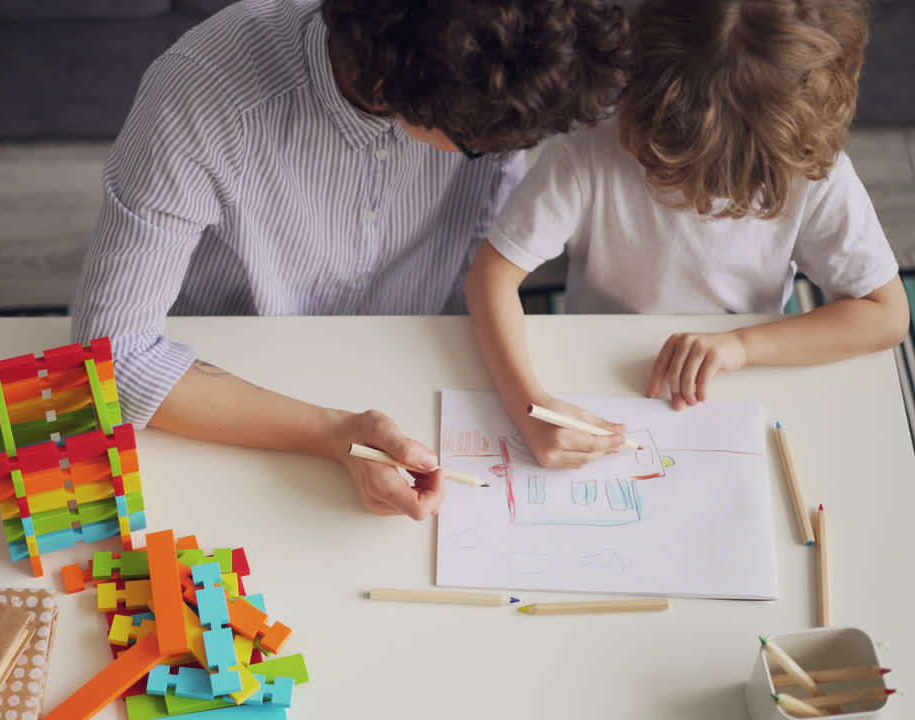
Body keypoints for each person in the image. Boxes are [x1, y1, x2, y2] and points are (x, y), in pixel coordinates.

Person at [73, 0, 630, 517]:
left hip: (420, 358)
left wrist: (523, 395)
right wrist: (335, 435)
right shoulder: (203, 95)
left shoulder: (497, 80)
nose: (506, 151)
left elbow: (482, 248)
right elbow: (111, 361)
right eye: (479, 144)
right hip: (229, 378)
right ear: (385, 87)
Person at [468, 0, 908, 469]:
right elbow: (490, 279)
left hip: (747, 378)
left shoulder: (809, 168)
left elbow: (887, 316)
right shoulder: (590, 147)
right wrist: (529, 405)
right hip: (598, 362)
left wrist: (742, 346)